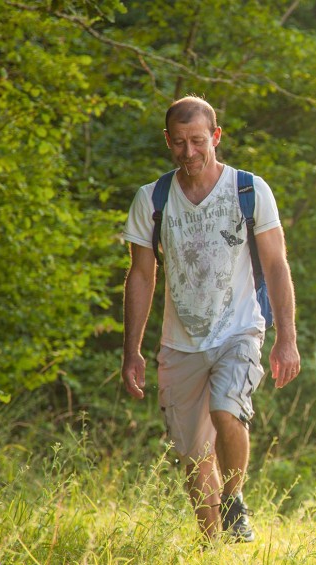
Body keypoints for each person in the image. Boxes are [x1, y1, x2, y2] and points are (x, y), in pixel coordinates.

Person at [121, 96, 301, 543]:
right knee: (194, 456)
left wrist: (287, 339)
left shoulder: (249, 190)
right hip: (179, 343)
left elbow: (277, 265)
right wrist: (132, 351)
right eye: (179, 143)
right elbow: (142, 274)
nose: (189, 152)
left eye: (198, 141)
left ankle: (236, 498)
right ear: (167, 141)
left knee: (227, 412)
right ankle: (214, 546)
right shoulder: (153, 199)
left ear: (215, 137)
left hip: (239, 329)